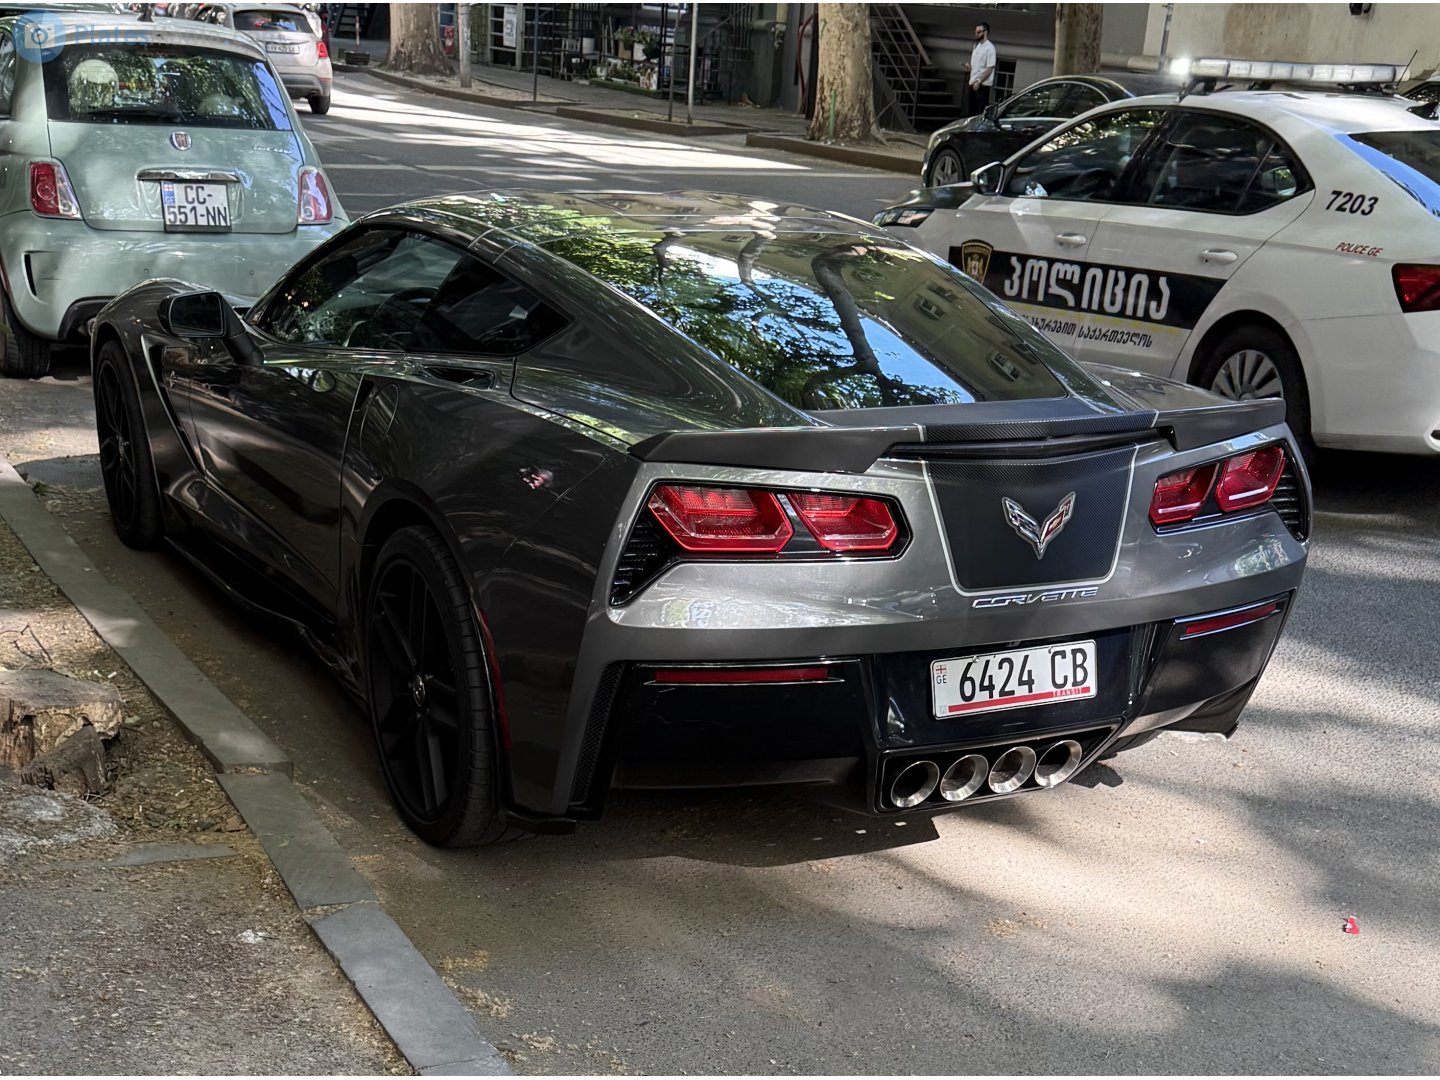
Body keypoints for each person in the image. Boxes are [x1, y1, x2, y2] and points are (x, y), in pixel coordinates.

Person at [965, 22, 996, 114]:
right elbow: (977, 66)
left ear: (985, 32)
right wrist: (970, 67)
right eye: (975, 32)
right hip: (973, 82)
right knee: (971, 111)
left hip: (982, 85)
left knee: (980, 111)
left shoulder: (990, 48)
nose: (976, 34)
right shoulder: (976, 46)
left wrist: (979, 81)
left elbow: (990, 68)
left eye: (979, 32)